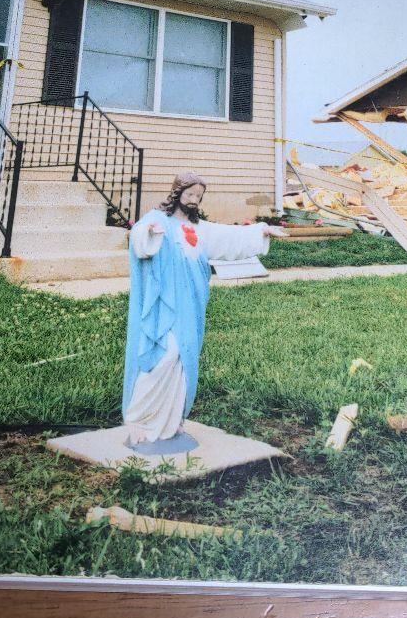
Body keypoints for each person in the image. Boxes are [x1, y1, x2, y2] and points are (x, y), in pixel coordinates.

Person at [121, 171, 286, 451]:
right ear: (177, 194)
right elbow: (139, 234)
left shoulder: (200, 228)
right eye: (189, 194)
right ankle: (140, 419)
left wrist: (261, 231)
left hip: (191, 305)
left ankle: (168, 423)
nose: (194, 200)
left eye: (198, 196)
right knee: (163, 354)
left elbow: (229, 237)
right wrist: (149, 233)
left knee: (183, 357)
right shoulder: (159, 219)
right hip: (164, 305)